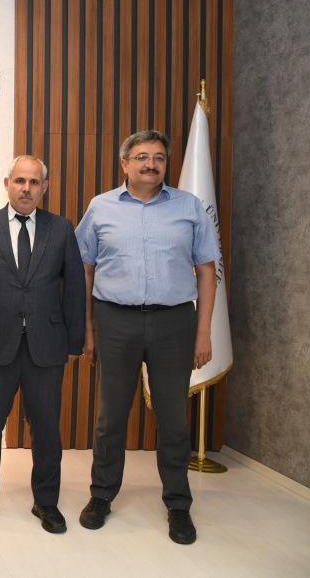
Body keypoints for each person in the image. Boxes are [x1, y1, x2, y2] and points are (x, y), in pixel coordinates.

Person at [75, 130, 219, 545]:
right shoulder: (100, 206)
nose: (150, 164)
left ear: (166, 165)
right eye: (141, 157)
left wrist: (203, 333)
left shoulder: (188, 206)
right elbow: (85, 270)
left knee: (173, 419)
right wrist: (87, 329)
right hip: (114, 320)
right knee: (110, 418)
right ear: (124, 164)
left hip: (174, 323)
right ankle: (102, 495)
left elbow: (207, 271)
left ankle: (178, 504)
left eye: (158, 157)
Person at [0, 155, 85, 533]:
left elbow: (75, 288)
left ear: (45, 188)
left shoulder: (61, 229)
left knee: (46, 429)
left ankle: (46, 501)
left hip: (47, 345)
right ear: (7, 183)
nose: (26, 189)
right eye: (20, 181)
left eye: (34, 182)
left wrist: (74, 341)